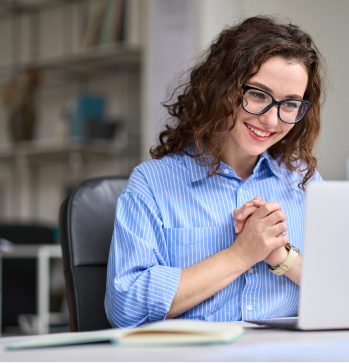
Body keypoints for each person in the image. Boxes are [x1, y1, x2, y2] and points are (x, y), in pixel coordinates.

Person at [105, 16, 326, 328]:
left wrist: (282, 257)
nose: (272, 121)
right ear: (222, 88)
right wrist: (241, 254)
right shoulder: (153, 183)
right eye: (258, 95)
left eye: (290, 104)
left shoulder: (304, 182)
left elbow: (343, 294)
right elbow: (125, 308)